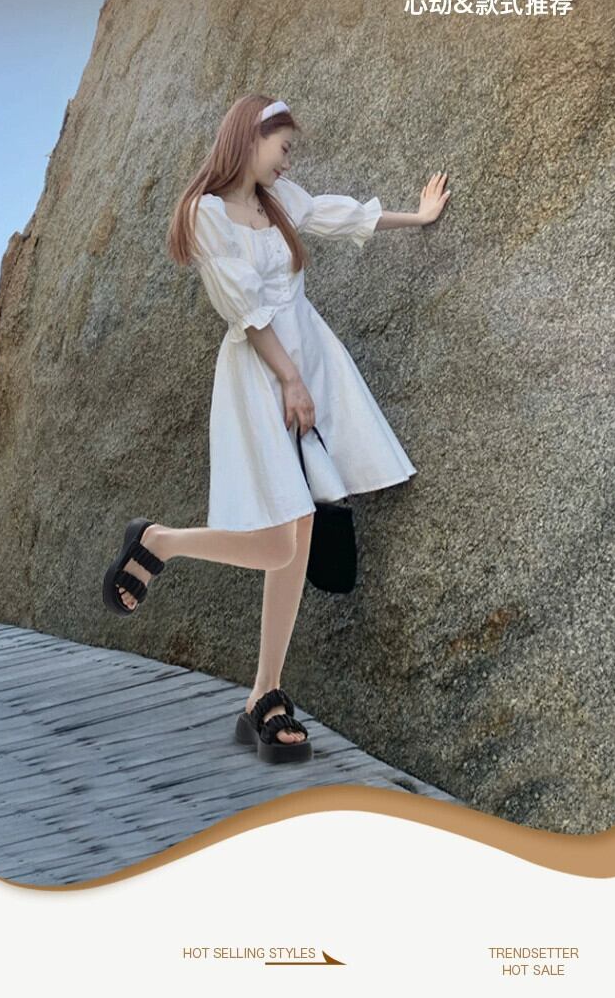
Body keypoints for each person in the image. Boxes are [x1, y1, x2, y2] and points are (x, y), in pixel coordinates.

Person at [102, 93, 450, 764]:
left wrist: (418, 216)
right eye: (283, 147)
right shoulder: (205, 213)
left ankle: (265, 691)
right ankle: (159, 541)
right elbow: (246, 308)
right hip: (263, 375)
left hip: (308, 362)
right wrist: (290, 379)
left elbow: (338, 215)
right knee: (279, 544)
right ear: (250, 137)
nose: (289, 160)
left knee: (298, 529)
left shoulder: (280, 200)